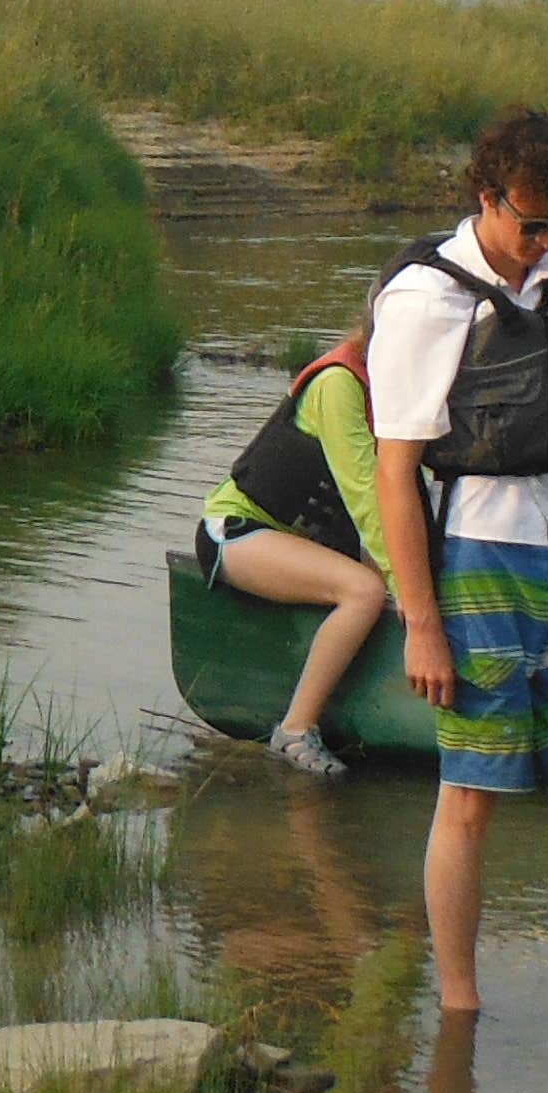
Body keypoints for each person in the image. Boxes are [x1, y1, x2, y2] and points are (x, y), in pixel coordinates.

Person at [370, 109, 548, 1024]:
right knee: (472, 797)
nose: (542, 244)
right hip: (473, 556)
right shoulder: (425, 301)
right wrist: (422, 622)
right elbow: (395, 470)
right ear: (485, 197)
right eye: (529, 224)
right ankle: (460, 1009)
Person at [197, 325, 395, 776]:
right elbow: (367, 498)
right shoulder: (339, 383)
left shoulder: (400, 394)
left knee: (381, 585)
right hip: (236, 531)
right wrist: (413, 602)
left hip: (294, 541)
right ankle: (294, 729)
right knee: (364, 591)